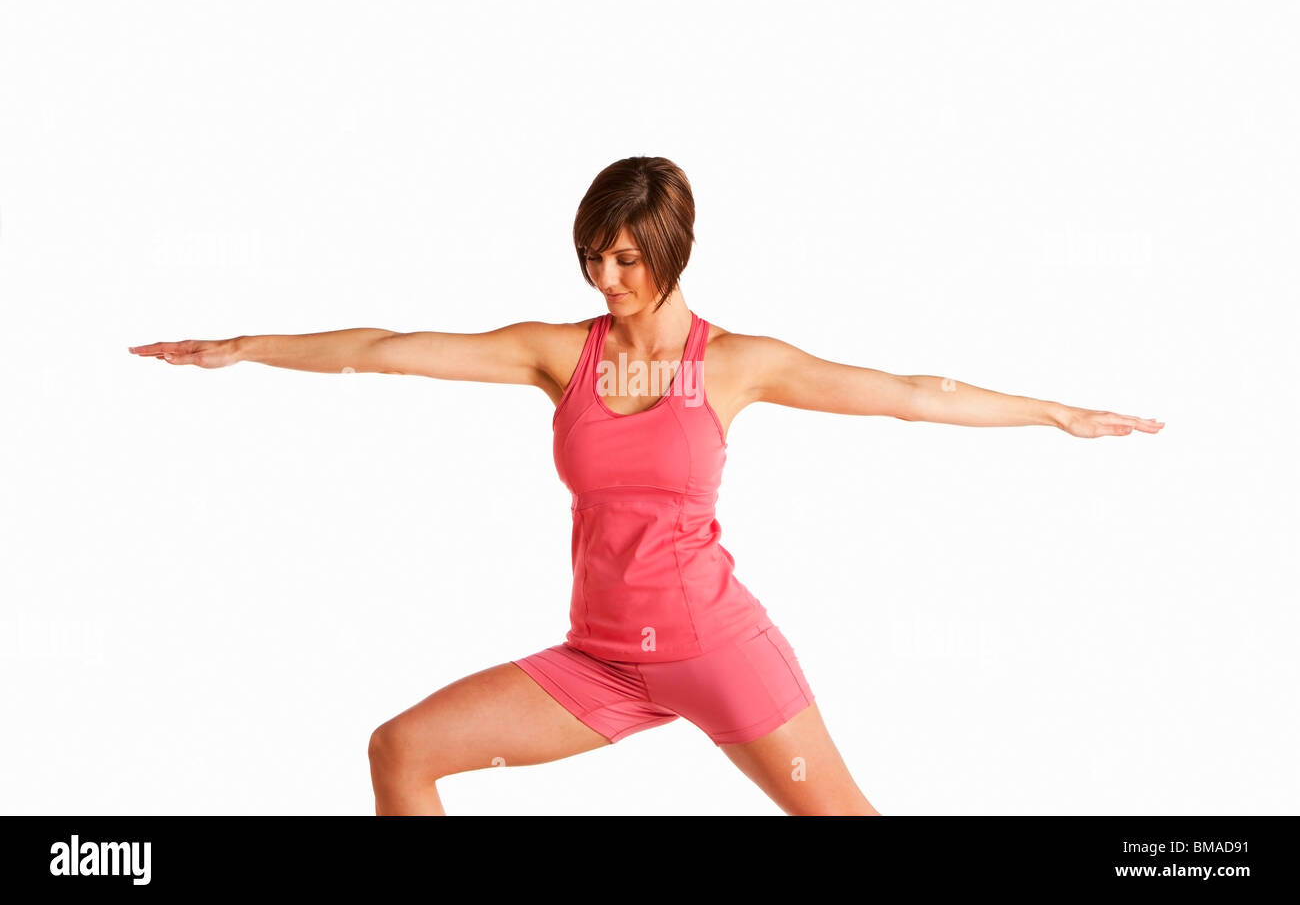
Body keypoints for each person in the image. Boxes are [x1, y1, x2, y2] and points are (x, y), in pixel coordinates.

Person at [128, 156, 1164, 816]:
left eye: (627, 256)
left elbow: (906, 393)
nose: (606, 277)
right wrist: (243, 345)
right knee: (401, 750)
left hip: (719, 653)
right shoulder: (554, 352)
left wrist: (1052, 410)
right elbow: (389, 346)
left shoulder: (734, 363)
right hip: (603, 661)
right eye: (594, 255)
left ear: (671, 251)